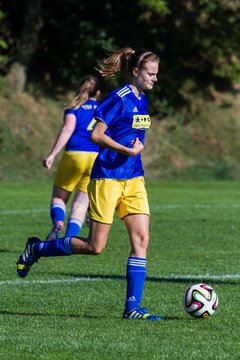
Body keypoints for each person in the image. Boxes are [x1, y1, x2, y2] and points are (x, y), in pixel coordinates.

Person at [16, 47, 162, 321]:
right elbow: (96, 134)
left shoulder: (142, 99)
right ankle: (37, 248)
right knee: (96, 247)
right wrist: (125, 149)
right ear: (135, 72)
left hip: (134, 178)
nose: (155, 79)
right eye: (150, 74)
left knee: (142, 240)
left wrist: (136, 150)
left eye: (156, 74)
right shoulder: (117, 99)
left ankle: (132, 308)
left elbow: (134, 134)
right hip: (107, 178)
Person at [42, 75, 101, 239]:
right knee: (81, 203)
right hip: (95, 157)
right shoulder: (103, 108)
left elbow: (68, 129)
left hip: (75, 154)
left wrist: (52, 154)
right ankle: (68, 241)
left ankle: (58, 223)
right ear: (98, 93)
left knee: (59, 198)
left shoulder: (74, 107)